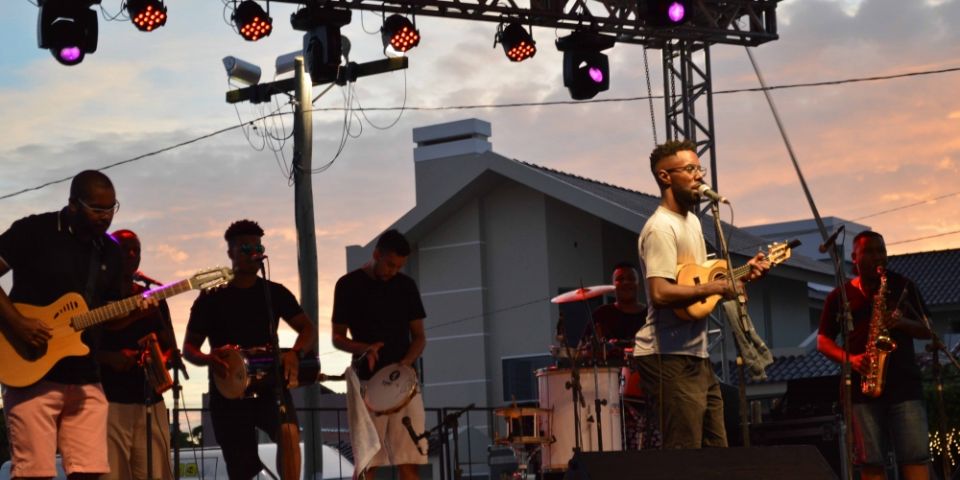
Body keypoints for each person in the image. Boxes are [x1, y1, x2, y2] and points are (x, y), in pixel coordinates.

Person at [0, 170, 141, 479]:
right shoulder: (34, 231)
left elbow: (108, 317)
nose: (106, 217)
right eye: (98, 209)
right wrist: (18, 323)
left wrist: (134, 310)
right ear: (73, 204)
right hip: (32, 372)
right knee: (33, 473)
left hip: (87, 378)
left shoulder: (110, 252)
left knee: (91, 472)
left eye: (111, 209)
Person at [634, 140, 768, 449]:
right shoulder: (660, 229)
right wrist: (719, 287)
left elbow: (699, 277)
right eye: (690, 169)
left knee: (716, 449)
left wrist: (745, 271)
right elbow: (660, 292)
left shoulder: (692, 222)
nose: (699, 177)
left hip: (696, 355)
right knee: (686, 453)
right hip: (665, 355)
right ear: (665, 176)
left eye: (700, 169)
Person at [183, 219, 316, 480]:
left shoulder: (274, 292)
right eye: (245, 248)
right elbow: (189, 348)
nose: (253, 253)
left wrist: (295, 353)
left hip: (270, 386)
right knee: (242, 469)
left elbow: (307, 329)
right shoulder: (211, 297)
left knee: (289, 435)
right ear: (230, 253)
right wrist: (209, 359)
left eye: (258, 247)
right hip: (229, 394)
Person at [817, 231, 931, 480]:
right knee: (871, 462)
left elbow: (928, 330)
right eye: (869, 251)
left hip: (905, 388)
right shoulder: (840, 296)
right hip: (862, 390)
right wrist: (852, 360)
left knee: (915, 457)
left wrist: (901, 323)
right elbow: (823, 341)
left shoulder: (904, 286)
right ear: (854, 257)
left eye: (881, 251)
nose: (878, 257)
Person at [332, 229, 428, 480]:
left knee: (410, 459)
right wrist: (364, 348)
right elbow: (337, 337)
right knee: (367, 462)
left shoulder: (406, 286)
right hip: (366, 382)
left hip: (404, 384)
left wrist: (406, 364)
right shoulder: (348, 285)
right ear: (376, 254)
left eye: (399, 266)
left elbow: (419, 337)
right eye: (390, 264)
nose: (393, 271)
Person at [97, 229, 175, 480]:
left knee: (156, 473)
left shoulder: (152, 298)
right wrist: (111, 358)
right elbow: (77, 349)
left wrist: (160, 360)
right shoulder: (93, 298)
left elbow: (171, 347)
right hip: (108, 403)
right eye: (124, 248)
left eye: (136, 250)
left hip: (150, 402)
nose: (132, 254)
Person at [585, 261, 658, 450]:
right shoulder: (602, 314)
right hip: (608, 392)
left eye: (630, 278)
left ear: (638, 283)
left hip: (648, 386)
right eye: (620, 279)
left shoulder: (650, 315)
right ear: (612, 285)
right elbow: (585, 351)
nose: (625, 283)